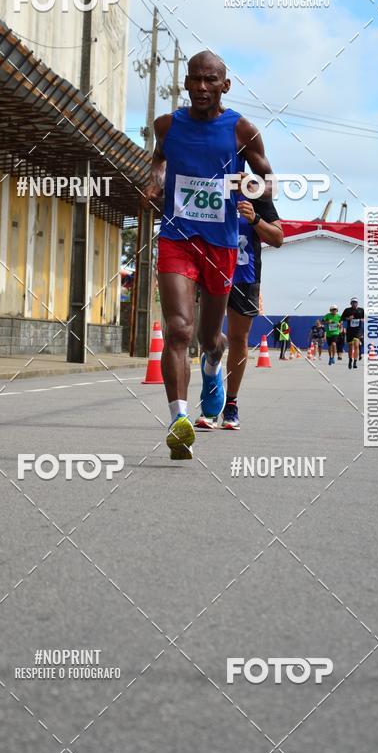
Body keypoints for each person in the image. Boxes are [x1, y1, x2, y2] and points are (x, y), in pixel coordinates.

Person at [143, 50, 273, 460]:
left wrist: (242, 187)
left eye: (210, 80)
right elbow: (159, 161)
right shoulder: (167, 126)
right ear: (185, 83)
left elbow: (268, 181)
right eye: (195, 79)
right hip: (177, 237)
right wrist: (154, 182)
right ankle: (179, 420)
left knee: (208, 337)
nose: (201, 87)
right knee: (179, 329)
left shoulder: (241, 131)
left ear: (225, 86)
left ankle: (213, 362)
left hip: (221, 246)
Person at [194, 179, 282, 430]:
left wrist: (255, 219)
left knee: (238, 338)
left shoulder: (256, 193)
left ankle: (230, 404)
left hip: (245, 276)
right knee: (210, 337)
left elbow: (278, 238)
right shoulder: (209, 186)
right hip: (213, 272)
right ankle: (212, 389)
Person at [341, 297, 365, 369]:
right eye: (353, 302)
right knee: (351, 346)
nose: (354, 303)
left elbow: (365, 318)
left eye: (355, 302)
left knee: (357, 345)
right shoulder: (347, 310)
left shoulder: (361, 310)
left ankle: (355, 361)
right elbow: (342, 318)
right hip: (350, 331)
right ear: (351, 303)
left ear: (357, 303)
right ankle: (350, 360)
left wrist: (362, 320)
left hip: (358, 330)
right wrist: (348, 318)